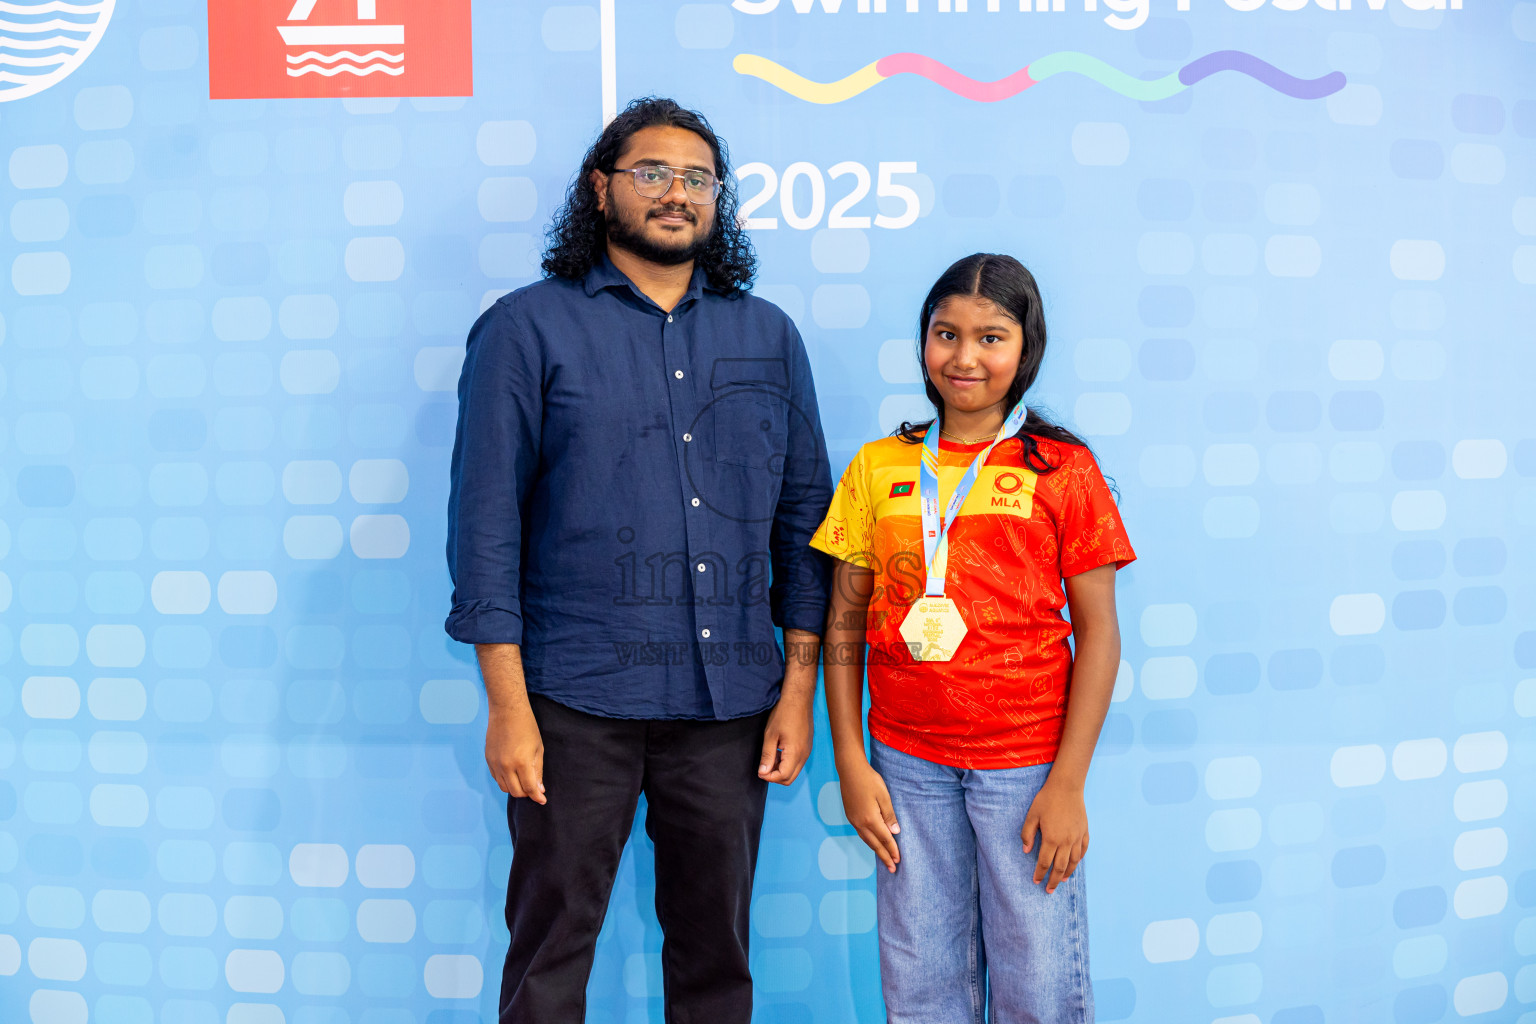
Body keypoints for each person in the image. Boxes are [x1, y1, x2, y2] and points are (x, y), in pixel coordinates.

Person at [445, 97, 832, 1024]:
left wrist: (796, 691)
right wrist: (508, 706)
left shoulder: (767, 336)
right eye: (651, 173)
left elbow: (803, 522)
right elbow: (484, 527)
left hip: (731, 704)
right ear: (600, 189)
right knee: (550, 950)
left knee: (717, 960)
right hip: (576, 702)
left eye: (698, 178)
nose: (676, 194)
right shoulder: (525, 329)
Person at [812, 253, 1135, 1023]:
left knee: (1040, 983)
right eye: (945, 334)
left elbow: (1100, 635)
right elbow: (841, 629)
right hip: (905, 764)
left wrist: (1067, 783)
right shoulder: (877, 466)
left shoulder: (1063, 470)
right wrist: (852, 761)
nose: (964, 357)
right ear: (923, 342)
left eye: (992, 338)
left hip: (1026, 768)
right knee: (920, 978)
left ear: (1027, 350)